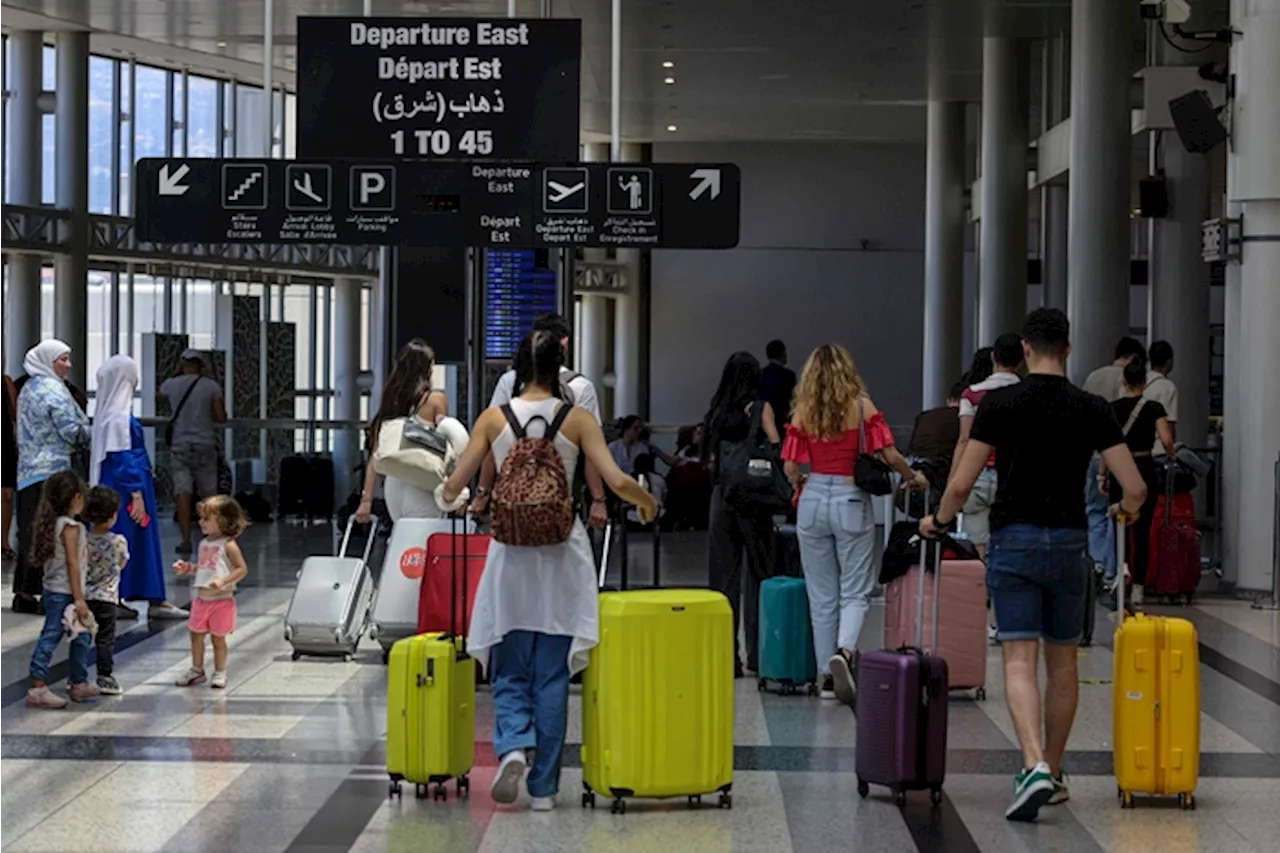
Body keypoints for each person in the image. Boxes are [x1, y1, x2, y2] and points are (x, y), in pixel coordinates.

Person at [921, 308, 1147, 822]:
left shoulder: (1000, 404)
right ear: (1068, 348)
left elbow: (961, 482)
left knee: (1018, 659)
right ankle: (1056, 771)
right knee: (1062, 662)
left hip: (1014, 540)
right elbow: (1134, 487)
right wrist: (1125, 512)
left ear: (1025, 349)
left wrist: (937, 520)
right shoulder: (1092, 408)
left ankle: (1033, 764)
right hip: (1070, 544)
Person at [437, 330, 657, 811]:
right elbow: (617, 480)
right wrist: (648, 502)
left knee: (510, 667)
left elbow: (454, 485)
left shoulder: (494, 419)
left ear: (517, 369)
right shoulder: (576, 419)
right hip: (564, 555)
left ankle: (514, 743)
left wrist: (451, 496)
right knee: (553, 675)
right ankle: (543, 790)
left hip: (510, 556)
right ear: (560, 366)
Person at [782, 344, 927, 704]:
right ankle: (845, 653)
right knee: (856, 588)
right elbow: (890, 454)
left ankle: (826, 679)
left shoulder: (803, 411)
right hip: (849, 499)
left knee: (821, 595)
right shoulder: (863, 407)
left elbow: (790, 466)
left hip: (813, 498)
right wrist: (912, 477)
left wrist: (800, 484)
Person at [474, 314, 609, 530]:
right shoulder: (581, 387)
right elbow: (593, 453)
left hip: (511, 498)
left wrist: (482, 492)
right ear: (564, 343)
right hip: (563, 497)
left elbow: (491, 444)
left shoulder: (509, 382)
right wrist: (598, 500)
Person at [702, 352, 782, 678]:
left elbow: (706, 458)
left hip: (721, 500)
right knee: (760, 577)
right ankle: (758, 654)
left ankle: (726, 656)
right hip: (754, 500)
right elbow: (777, 448)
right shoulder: (760, 409)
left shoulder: (715, 413)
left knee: (724, 580)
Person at [94, 355, 187, 620]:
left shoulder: (111, 416)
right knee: (130, 539)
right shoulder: (118, 418)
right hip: (127, 492)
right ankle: (130, 596)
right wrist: (136, 494)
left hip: (124, 489)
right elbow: (123, 458)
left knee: (132, 540)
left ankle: (141, 596)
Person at [12, 340, 90, 615]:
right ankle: (51, 592)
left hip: (28, 473)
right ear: (48, 360)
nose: (68, 365)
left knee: (32, 531)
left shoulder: (29, 388)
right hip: (55, 472)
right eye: (63, 359)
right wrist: (91, 431)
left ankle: (24, 590)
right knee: (55, 532)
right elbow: (72, 431)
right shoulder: (54, 389)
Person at [355, 339, 466, 523]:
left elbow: (375, 455)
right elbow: (446, 447)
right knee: (424, 544)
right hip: (423, 483)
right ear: (426, 368)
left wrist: (366, 500)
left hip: (394, 486)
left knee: (404, 542)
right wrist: (455, 491)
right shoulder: (435, 400)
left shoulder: (390, 403)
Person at [1099, 360, 1176, 604]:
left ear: (1124, 381)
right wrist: (1172, 453)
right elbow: (1166, 439)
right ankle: (1139, 586)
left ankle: (1120, 573)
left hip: (1119, 468)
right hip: (1144, 468)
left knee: (1119, 524)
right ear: (1144, 382)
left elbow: (1106, 445)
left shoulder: (1112, 409)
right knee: (1142, 529)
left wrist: (1102, 474)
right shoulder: (1154, 407)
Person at [25, 470, 98, 708]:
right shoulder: (70, 528)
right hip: (66, 592)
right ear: (76, 498)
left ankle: (79, 682)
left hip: (55, 590)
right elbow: (72, 564)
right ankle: (37, 687)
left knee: (82, 635)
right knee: (52, 635)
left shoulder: (51, 524)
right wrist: (79, 598)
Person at [1082, 337, 1147, 586]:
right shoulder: (1130, 381)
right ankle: (1112, 569)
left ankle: (1097, 562)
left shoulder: (1094, 377)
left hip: (1093, 455)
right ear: (1132, 358)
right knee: (1117, 511)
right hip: (1119, 457)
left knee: (1094, 510)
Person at [952, 333, 1024, 558]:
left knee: (977, 545)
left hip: (977, 475)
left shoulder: (971, 394)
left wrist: (955, 477)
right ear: (1022, 360)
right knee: (1012, 540)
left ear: (993, 357)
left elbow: (964, 440)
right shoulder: (1028, 394)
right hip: (1014, 475)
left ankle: (980, 590)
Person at [173, 496, 250, 689]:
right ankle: (197, 669)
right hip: (202, 599)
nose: (201, 523)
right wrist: (189, 568)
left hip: (221, 600)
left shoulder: (228, 545)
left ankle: (220, 670)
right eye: (201, 518)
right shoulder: (204, 543)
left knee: (218, 638)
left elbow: (241, 569)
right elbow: (206, 567)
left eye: (206, 519)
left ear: (223, 520)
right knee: (196, 634)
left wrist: (224, 580)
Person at [158, 350, 227, 555]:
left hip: (180, 445)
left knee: (183, 492)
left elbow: (158, 397)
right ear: (201, 365)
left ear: (182, 364)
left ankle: (186, 539)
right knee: (209, 494)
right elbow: (221, 416)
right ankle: (213, 537)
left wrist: (174, 373)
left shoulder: (172, 384)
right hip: (204, 444)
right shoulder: (211, 386)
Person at [82, 486, 129, 696]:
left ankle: (78, 677)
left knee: (81, 638)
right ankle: (105, 676)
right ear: (112, 516)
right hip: (108, 597)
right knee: (105, 638)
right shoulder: (118, 541)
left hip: (84, 597)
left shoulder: (82, 539)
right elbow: (121, 563)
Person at [1144, 340, 1178, 454]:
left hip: (1139, 449)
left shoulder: (1140, 382)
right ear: (1169, 361)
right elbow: (1169, 424)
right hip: (1159, 450)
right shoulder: (1168, 387)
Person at [760, 339, 797, 436]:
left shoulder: (761, 374)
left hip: (764, 421)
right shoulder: (788, 375)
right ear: (783, 353)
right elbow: (792, 400)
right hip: (783, 421)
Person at [0, 374, 17, 561]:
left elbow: (15, 413)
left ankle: (3, 542)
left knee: (6, 495)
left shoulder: (5, 382)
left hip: (3, 442)